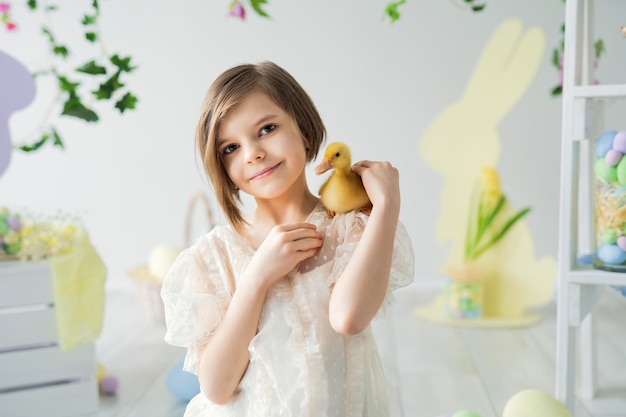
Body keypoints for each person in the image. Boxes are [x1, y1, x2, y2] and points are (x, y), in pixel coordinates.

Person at [161, 61, 414, 417]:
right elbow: (217, 388)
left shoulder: (350, 227)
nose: (252, 153)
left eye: (266, 128)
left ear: (305, 130)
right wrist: (257, 276)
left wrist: (386, 205)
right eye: (230, 148)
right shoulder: (213, 256)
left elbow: (349, 318)